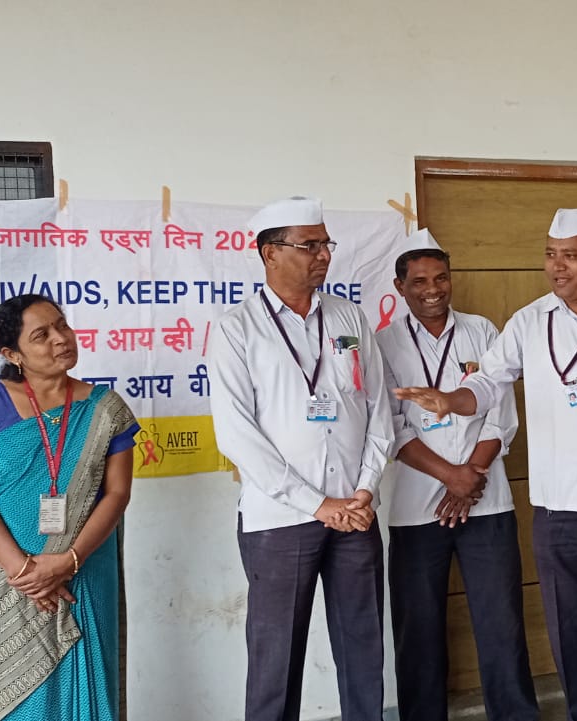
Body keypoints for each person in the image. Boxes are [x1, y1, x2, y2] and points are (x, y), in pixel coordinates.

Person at [396, 208, 577, 721]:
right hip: (557, 507)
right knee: (571, 633)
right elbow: (487, 381)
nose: (557, 267)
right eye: (551, 255)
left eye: (570, 255)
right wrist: (452, 399)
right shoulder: (530, 320)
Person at [208, 196, 394, 721]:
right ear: (270, 253)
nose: (324, 255)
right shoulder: (237, 328)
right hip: (280, 519)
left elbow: (378, 409)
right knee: (276, 659)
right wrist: (317, 504)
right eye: (309, 245)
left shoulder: (348, 316)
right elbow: (237, 435)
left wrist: (364, 489)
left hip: (355, 512)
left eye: (325, 243)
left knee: (363, 648)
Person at [0, 293, 140, 721]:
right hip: (5, 574)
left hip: (85, 567)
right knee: (14, 692)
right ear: (12, 354)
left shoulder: (105, 409)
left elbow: (117, 494)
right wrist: (25, 572)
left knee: (89, 678)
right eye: (41, 335)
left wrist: (69, 561)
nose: (60, 338)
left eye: (62, 325)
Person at [377, 228, 538, 721]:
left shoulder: (482, 331)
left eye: (441, 278)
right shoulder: (383, 343)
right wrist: (453, 476)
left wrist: (472, 473)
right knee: (418, 625)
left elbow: (501, 414)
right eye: (420, 281)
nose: (433, 289)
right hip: (415, 508)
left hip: (486, 501)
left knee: (501, 619)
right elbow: (391, 427)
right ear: (400, 287)